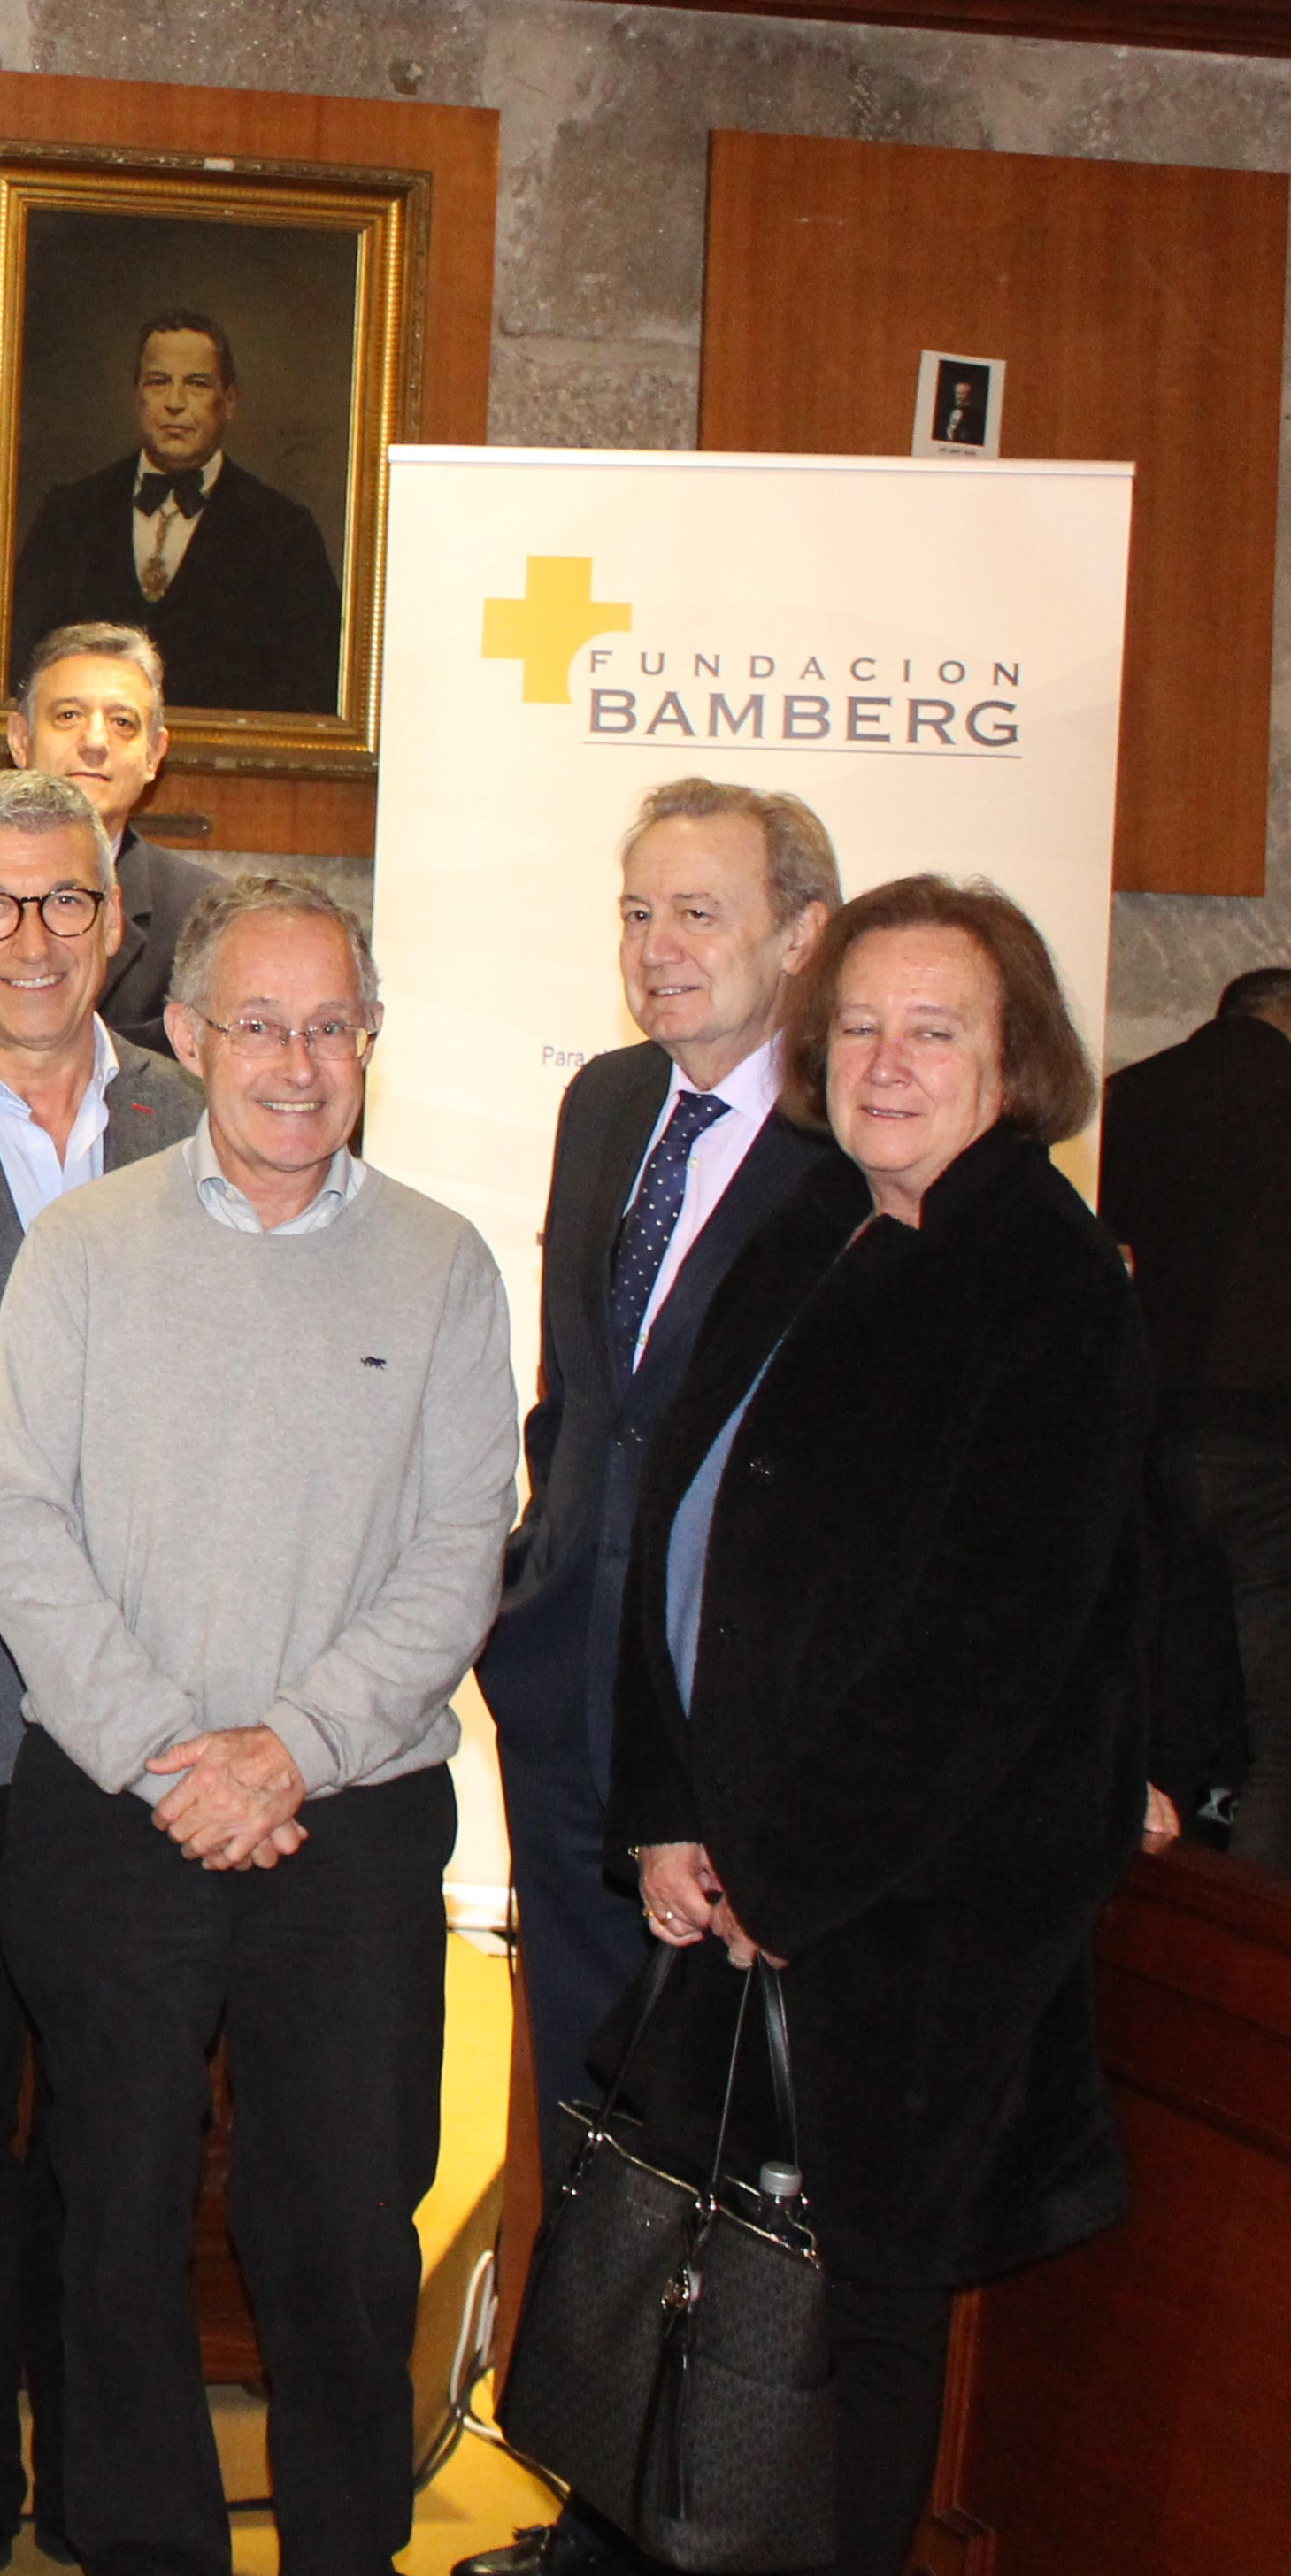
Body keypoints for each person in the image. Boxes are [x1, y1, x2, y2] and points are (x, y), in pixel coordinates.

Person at [611, 875, 1157, 2576]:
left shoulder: (1047, 1287)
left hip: (911, 1919)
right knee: (712, 2282)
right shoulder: (808, 1229)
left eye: (934, 1029)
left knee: (859, 2319)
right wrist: (658, 1806)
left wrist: (782, 1867)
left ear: (1017, 1065)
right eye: (854, 1024)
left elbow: (981, 1650)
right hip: (736, 1877)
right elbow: (669, 1529)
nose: (885, 1061)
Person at [0, 873, 516, 2576]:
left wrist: (284, 1749)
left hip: (344, 1826)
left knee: (340, 2233)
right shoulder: (81, 1247)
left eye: (329, 1025)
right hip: (112, 1811)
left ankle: (344, 2549)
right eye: (259, 1024)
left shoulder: (439, 1262)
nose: (295, 1060)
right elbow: (16, 1525)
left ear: (369, 1042)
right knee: (113, 2220)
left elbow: (456, 1552)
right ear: (188, 1037)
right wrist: (166, 1752)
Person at [0, 768, 204, 2572]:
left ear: (115, 919)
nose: (29, 937)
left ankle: (98, 2481)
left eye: (62, 902)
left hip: (143, 1730)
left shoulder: (199, 1115)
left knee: (120, 2131)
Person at [473, 783, 841, 2138]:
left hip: (720, 1718)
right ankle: (578, 2352)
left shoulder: (848, 1142)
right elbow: (580, 1395)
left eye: (697, 912)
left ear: (801, 934)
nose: (654, 947)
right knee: (574, 2094)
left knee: (710, 2116)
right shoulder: (608, 1099)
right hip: (561, 1684)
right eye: (636, 913)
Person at [1103, 964, 1291, 1873]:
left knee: (1166, 1695)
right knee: (1279, 1727)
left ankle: (1157, 1923)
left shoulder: (1129, 1099)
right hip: (1268, 1439)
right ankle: (1253, 1964)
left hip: (1149, 1435)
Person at [0, 623, 219, 1057]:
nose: (94, 742)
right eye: (68, 716)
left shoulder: (200, 907)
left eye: (122, 723)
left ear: (154, 754)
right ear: (20, 739)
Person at [4, 311, 342, 715]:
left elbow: (314, 690)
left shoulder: (285, 533)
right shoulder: (69, 515)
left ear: (229, 401)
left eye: (197, 384)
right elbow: (20, 667)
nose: (175, 403)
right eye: (158, 382)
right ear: (137, 396)